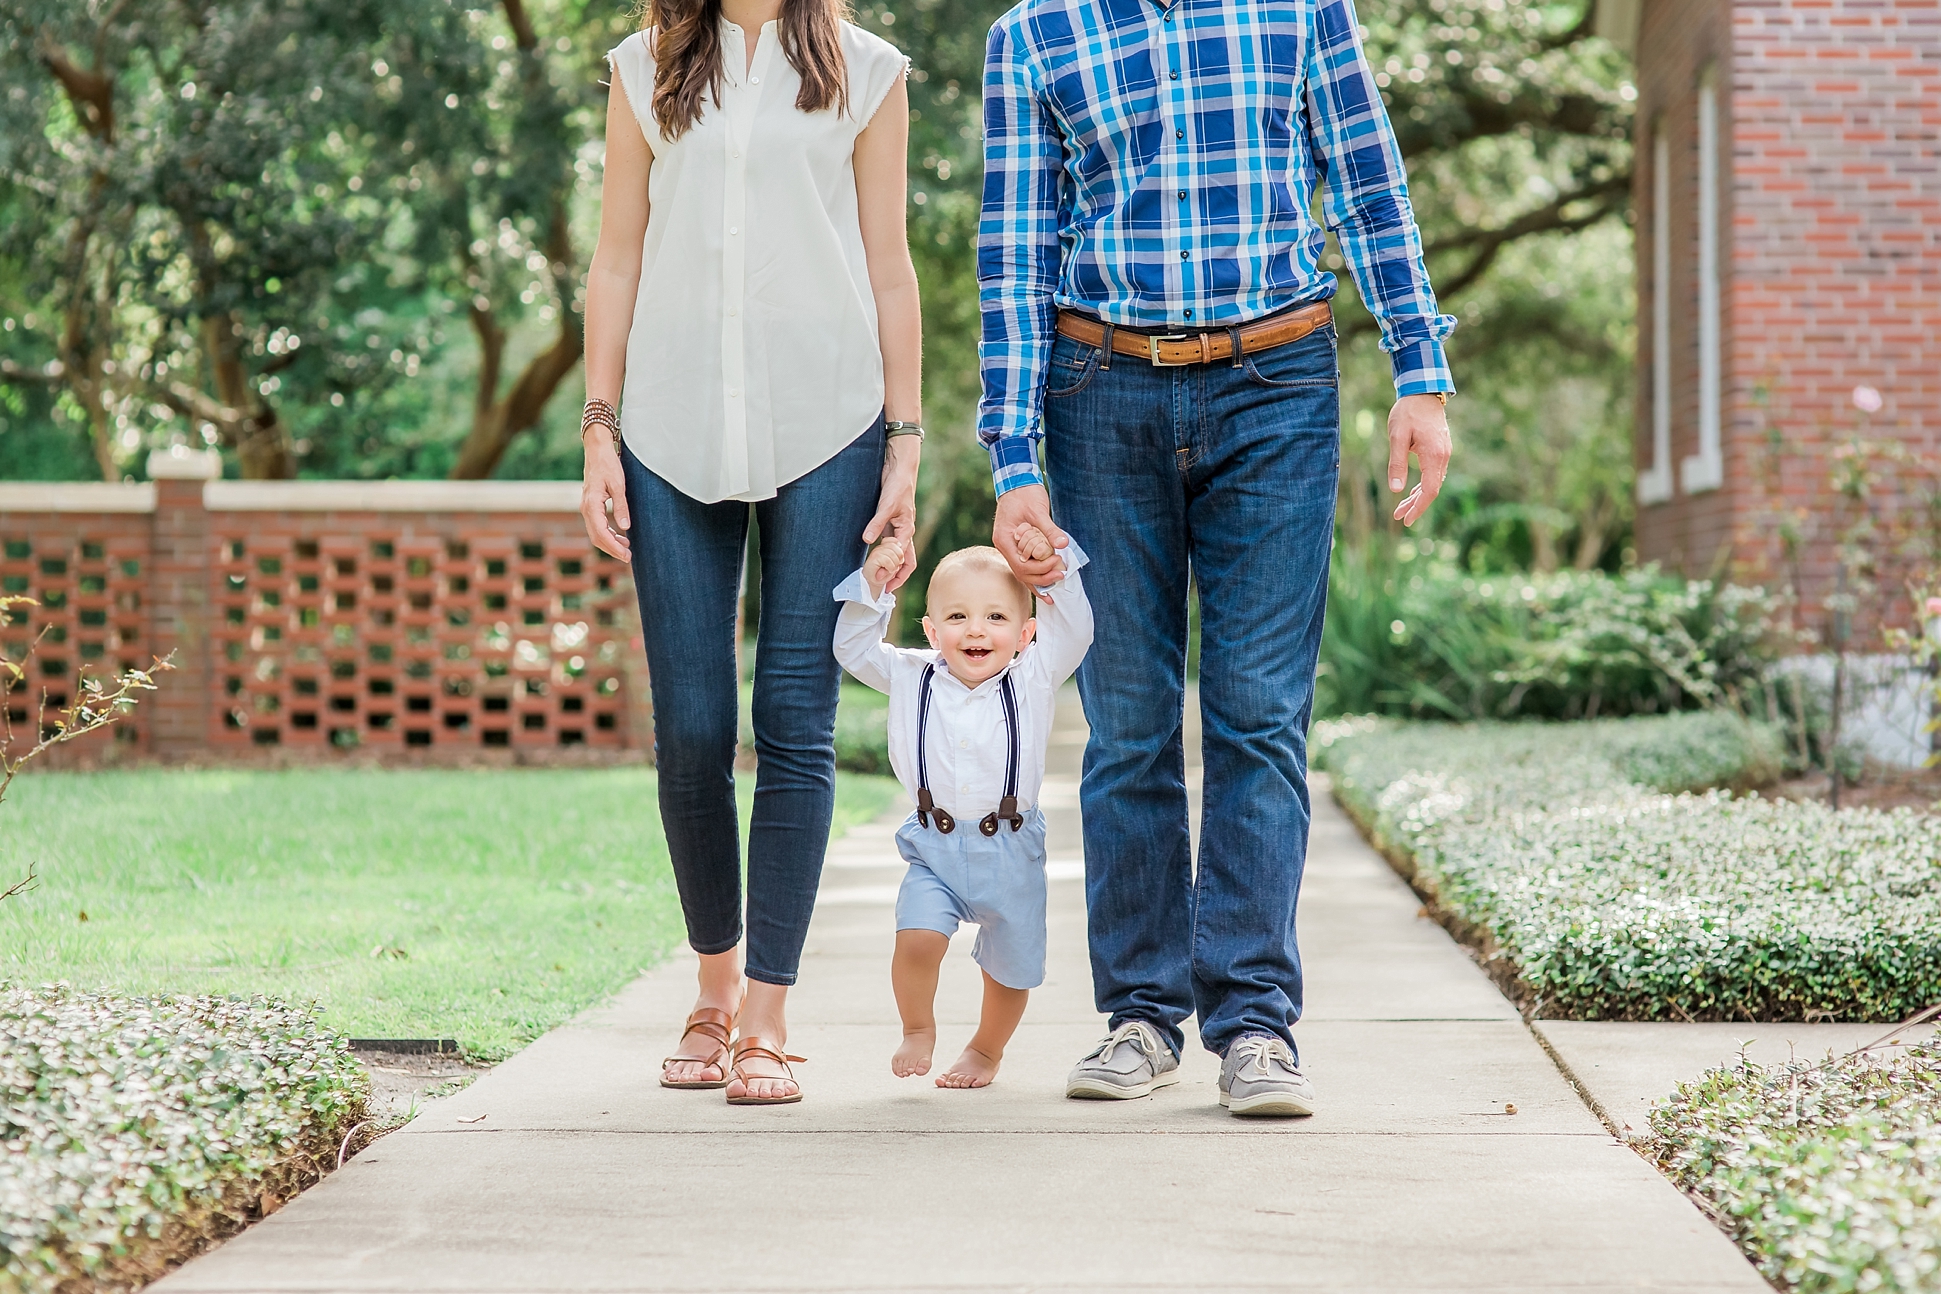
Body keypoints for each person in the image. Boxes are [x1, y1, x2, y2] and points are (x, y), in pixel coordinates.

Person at [977, 0, 1457, 1116]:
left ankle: (1253, 1023)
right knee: (1130, 721)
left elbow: (1371, 181)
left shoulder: (1301, 7)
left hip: (1277, 382)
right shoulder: (1036, 32)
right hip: (1101, 392)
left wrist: (1419, 371)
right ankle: (1142, 1014)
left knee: (1256, 713)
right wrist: (1012, 453)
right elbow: (1013, 248)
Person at [577, 0, 921, 1106]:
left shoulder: (867, 72)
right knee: (690, 726)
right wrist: (598, 424)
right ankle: (712, 989)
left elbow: (890, 265)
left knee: (794, 719)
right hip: (671, 426)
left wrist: (906, 441)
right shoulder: (644, 66)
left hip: (830, 419)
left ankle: (766, 1015)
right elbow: (617, 260)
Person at [831, 526, 1092, 1088]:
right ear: (931, 630)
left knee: (1011, 967)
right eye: (957, 617)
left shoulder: (1035, 674)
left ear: (1026, 632)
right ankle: (918, 1027)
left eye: (996, 618)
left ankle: (986, 1049)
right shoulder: (909, 675)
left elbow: (1076, 628)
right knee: (917, 937)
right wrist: (874, 589)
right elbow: (851, 649)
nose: (976, 629)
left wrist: (1056, 567)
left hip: (1012, 848)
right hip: (934, 846)